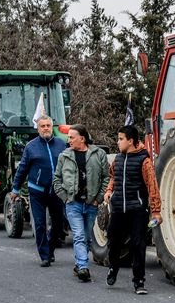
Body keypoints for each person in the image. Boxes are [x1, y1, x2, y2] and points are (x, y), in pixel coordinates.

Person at [103, 125, 162, 295]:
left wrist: (156, 211)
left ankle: (139, 282)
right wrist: (108, 191)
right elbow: (114, 176)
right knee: (113, 243)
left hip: (137, 210)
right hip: (118, 209)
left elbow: (152, 186)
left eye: (121, 139)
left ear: (131, 141)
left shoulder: (144, 161)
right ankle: (113, 268)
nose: (118, 142)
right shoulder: (118, 159)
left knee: (138, 245)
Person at [53, 124, 109, 282]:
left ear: (82, 139)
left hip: (91, 204)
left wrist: (98, 199)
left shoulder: (99, 154)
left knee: (86, 238)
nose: (68, 140)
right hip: (73, 204)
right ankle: (83, 267)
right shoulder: (64, 156)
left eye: (72, 137)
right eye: (68, 137)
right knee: (78, 236)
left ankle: (79, 264)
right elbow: (57, 179)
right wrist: (65, 197)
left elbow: (106, 178)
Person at [11, 115, 66, 267]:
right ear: (38, 128)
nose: (46, 128)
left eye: (48, 125)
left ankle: (51, 249)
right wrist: (15, 189)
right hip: (37, 190)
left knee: (58, 224)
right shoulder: (31, 147)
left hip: (56, 190)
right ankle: (44, 256)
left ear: (52, 126)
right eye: (43, 126)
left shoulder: (62, 144)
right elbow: (22, 169)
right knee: (40, 224)